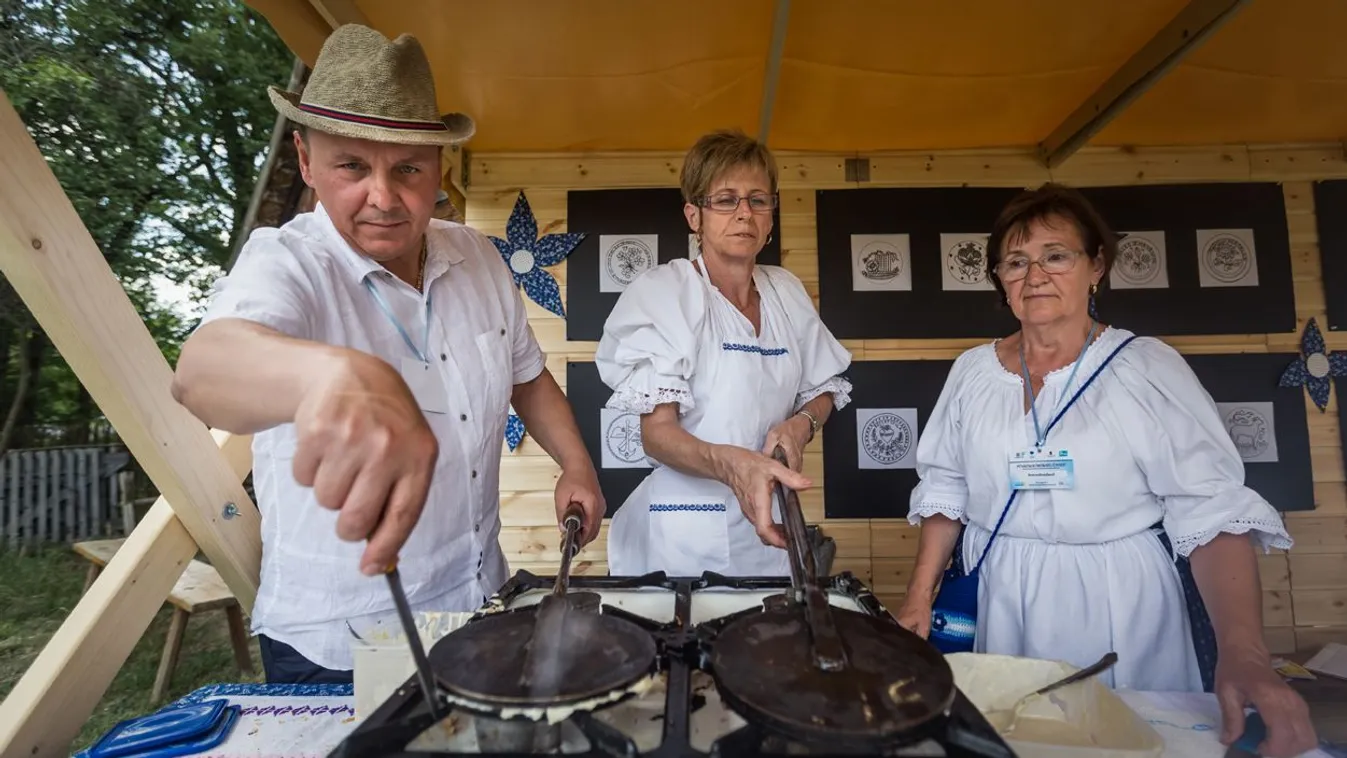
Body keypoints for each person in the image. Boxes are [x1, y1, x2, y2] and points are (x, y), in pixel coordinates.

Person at [171, 24, 604, 683]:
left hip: (477, 606)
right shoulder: (286, 261)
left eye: (407, 167)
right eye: (351, 166)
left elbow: (529, 380)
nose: (383, 196)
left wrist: (576, 464)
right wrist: (338, 374)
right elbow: (203, 370)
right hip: (338, 647)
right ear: (306, 159)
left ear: (441, 168)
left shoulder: (482, 258)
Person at [894, 183, 1316, 756]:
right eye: (1016, 261)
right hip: (1002, 592)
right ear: (998, 277)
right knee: (1011, 740)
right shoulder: (973, 372)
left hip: (1122, 596)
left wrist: (1245, 654)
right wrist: (919, 598)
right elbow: (947, 488)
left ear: (1096, 265)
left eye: (1056, 255)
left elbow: (1211, 511)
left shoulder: (1143, 367)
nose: (1034, 274)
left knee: (1129, 739)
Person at [594, 130, 852, 577]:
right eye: (726, 200)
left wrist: (801, 424)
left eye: (758, 200)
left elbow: (824, 388)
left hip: (768, 530)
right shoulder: (665, 293)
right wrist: (732, 464)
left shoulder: (786, 292)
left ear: (772, 215)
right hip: (684, 539)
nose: (744, 214)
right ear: (694, 215)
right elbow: (657, 434)